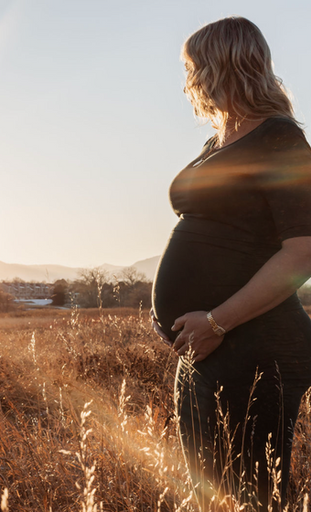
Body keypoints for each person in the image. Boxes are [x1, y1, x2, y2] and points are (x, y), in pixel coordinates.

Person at [150, 16, 311, 511]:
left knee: (250, 498)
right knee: (210, 496)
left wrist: (217, 321)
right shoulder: (219, 141)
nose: (189, 81)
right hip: (206, 346)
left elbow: (303, 251)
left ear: (224, 67)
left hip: (256, 346)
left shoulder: (279, 139)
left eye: (194, 67)